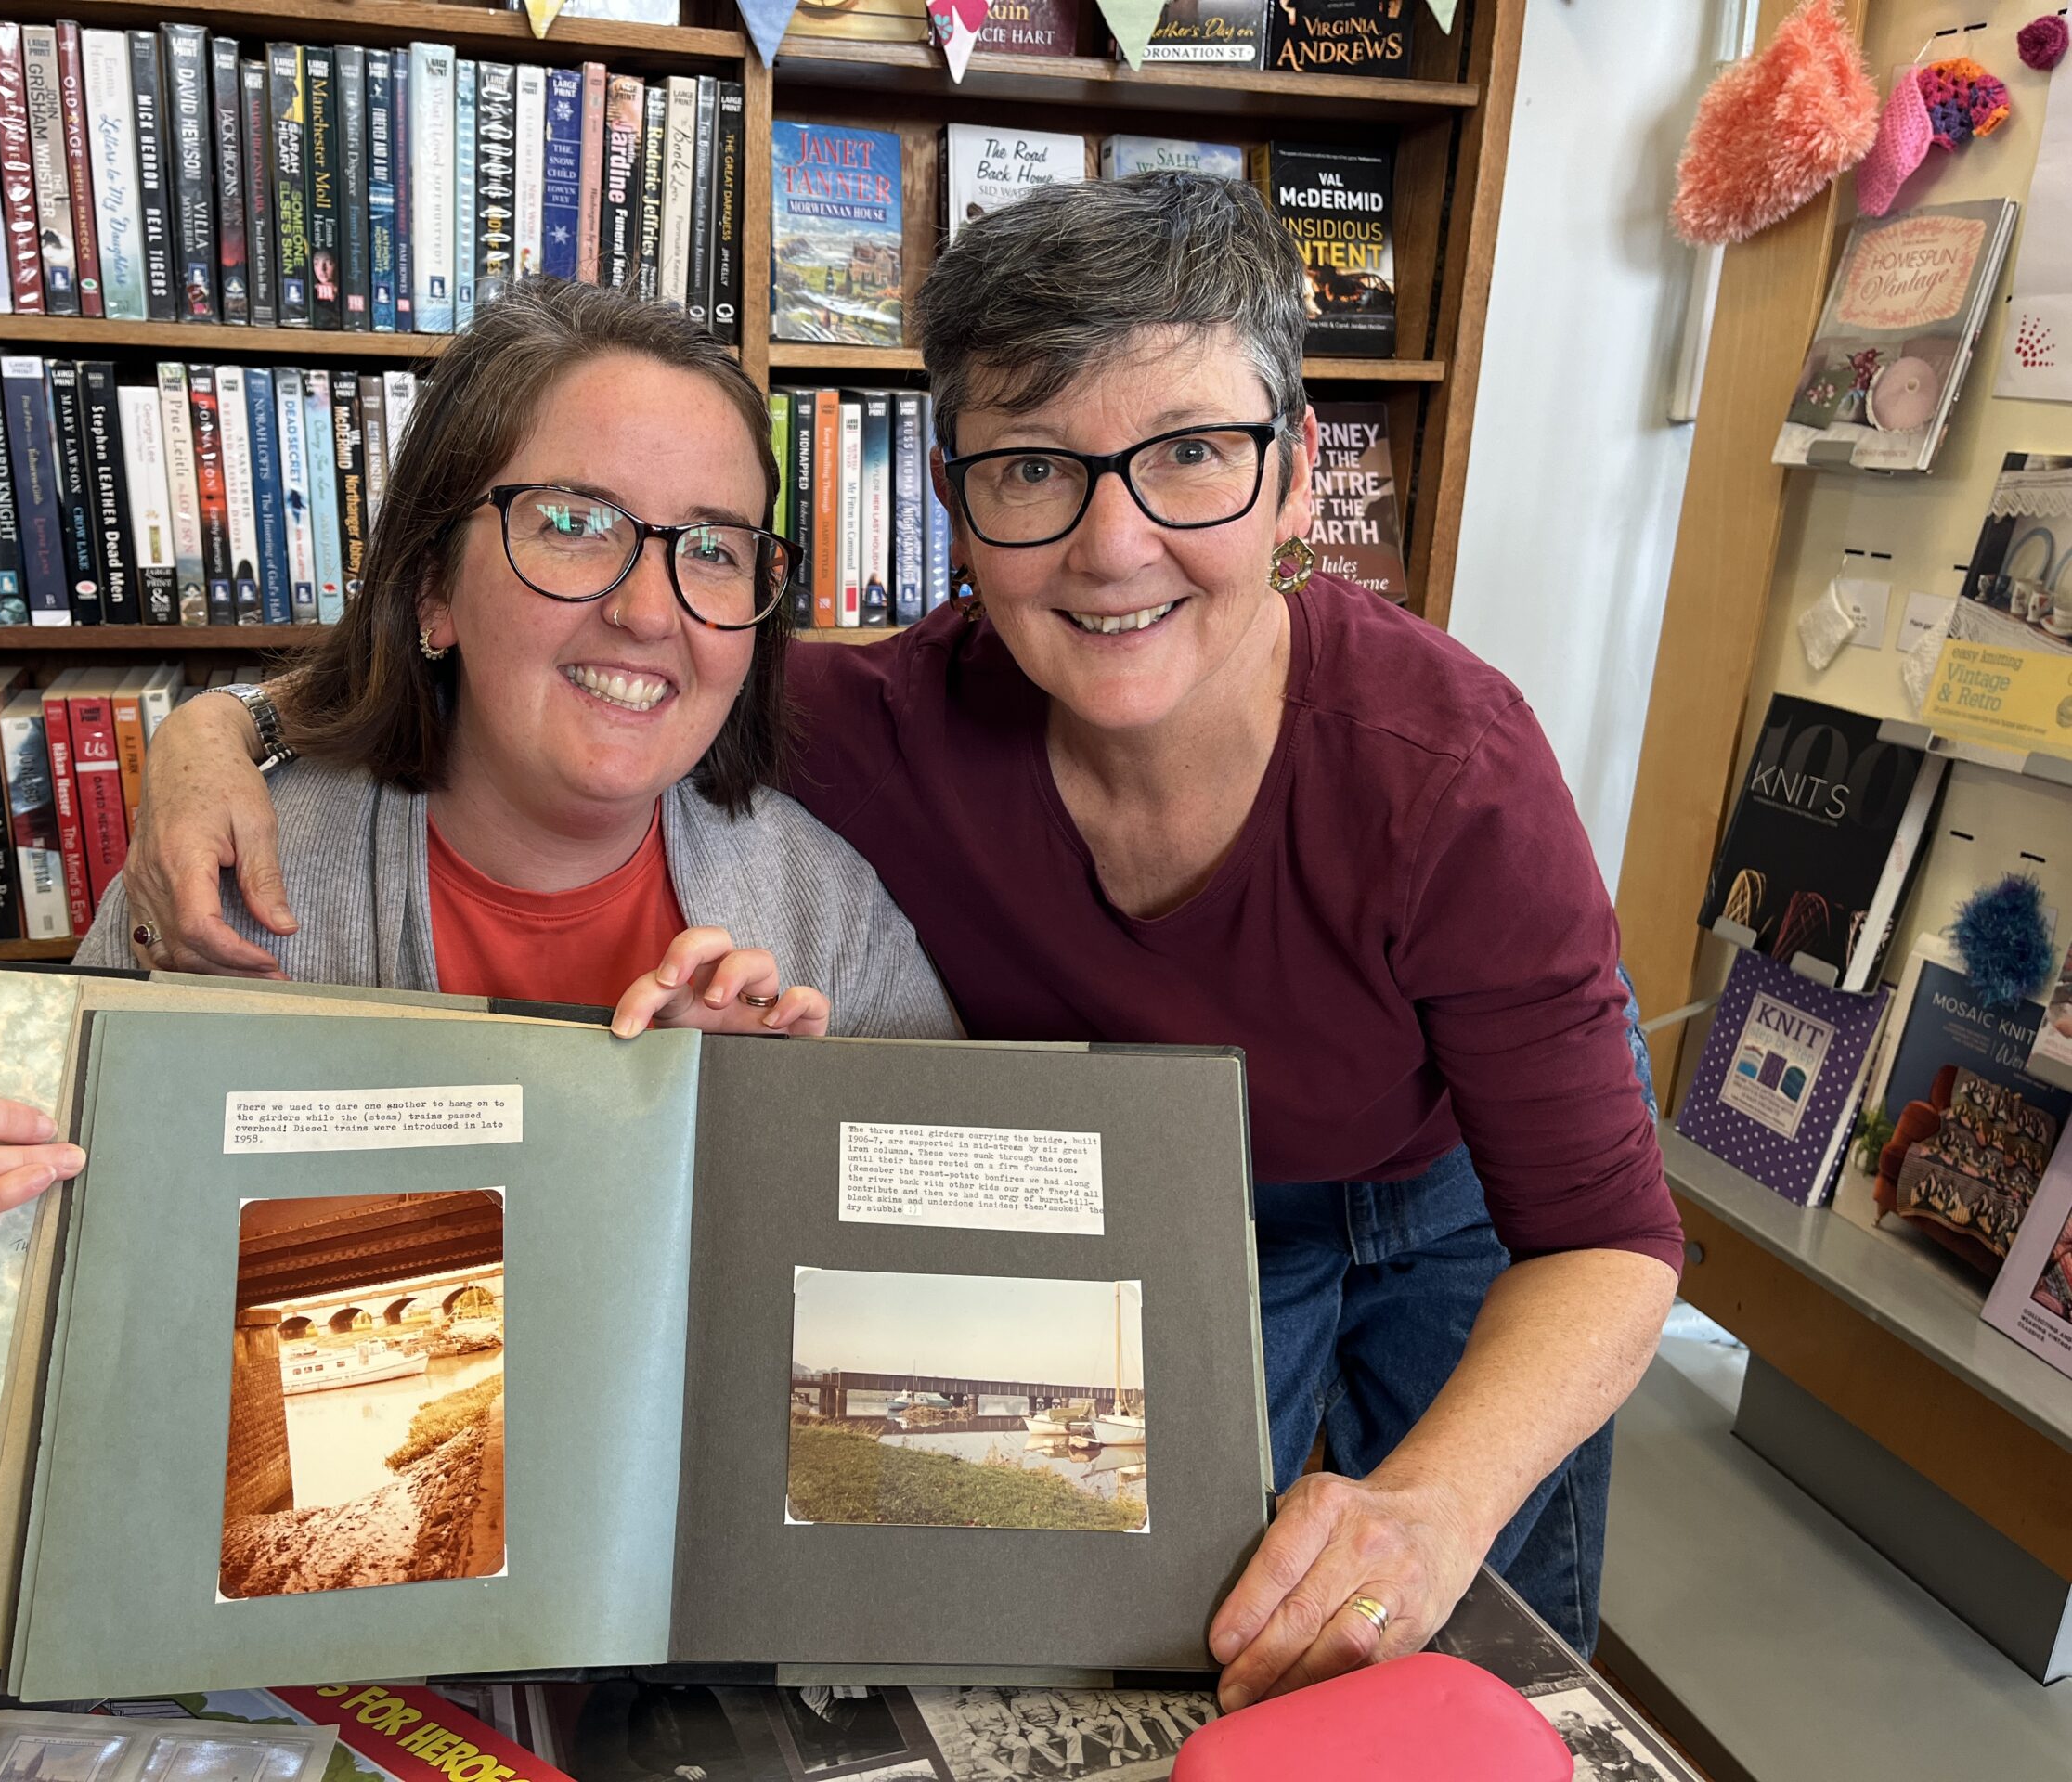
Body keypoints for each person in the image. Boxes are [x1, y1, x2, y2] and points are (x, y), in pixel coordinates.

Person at [123, 172, 1682, 1710]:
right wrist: (217, 733)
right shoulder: (869, 728)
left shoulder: (1453, 772)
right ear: (952, 504)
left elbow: (1609, 1241)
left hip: (1464, 1174)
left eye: (1194, 454)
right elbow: (582, 666)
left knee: (1483, 1637)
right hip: (1184, 1209)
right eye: (1031, 471)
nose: (1115, 545)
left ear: (1293, 479)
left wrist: (1436, 1510)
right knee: (1204, 1630)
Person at [0, 278, 959, 1305]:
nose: (650, 611)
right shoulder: (232, 884)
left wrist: (775, 1153)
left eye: (712, 548)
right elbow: (54, 1296)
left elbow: (948, 1286)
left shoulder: (826, 914)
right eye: (572, 524)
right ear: (430, 591)